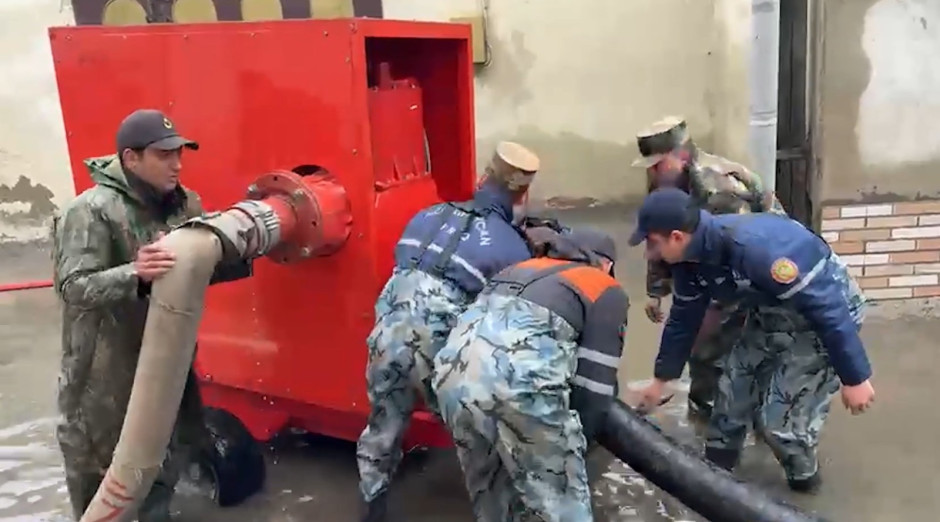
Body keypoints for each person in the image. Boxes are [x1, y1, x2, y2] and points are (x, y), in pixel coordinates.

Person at [52, 109, 251, 521]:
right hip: (102, 379)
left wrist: (241, 247)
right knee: (102, 483)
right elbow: (73, 288)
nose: (176, 164)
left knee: (162, 468)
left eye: (179, 153)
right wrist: (135, 273)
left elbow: (200, 271)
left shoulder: (184, 204)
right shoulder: (90, 211)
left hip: (166, 365)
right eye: (164, 155)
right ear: (131, 158)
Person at [630, 188, 873, 492]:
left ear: (677, 237)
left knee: (780, 420)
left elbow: (827, 308)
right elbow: (683, 319)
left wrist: (854, 377)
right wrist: (661, 380)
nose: (649, 253)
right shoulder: (689, 262)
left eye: (653, 243)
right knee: (731, 394)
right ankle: (714, 475)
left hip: (822, 317)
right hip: (771, 310)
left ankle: (803, 481)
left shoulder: (757, 249)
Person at [356, 141, 541, 522]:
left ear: (482, 179)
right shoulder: (511, 247)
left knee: (383, 426)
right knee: (481, 437)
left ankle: (373, 505)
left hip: (387, 340)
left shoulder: (424, 216)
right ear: (522, 196)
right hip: (438, 355)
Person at [432, 228, 627, 522]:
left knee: (492, 499)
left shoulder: (517, 269)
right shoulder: (602, 285)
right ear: (607, 264)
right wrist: (573, 448)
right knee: (562, 509)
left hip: (452, 380)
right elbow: (594, 388)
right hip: (518, 388)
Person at [631, 116, 787, 420]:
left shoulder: (718, 189)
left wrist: (709, 310)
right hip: (712, 261)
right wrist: (656, 290)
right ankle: (708, 405)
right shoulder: (664, 179)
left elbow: (738, 254)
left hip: (758, 267)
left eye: (658, 164)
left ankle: (726, 412)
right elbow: (660, 234)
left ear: (681, 155)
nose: (652, 172)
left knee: (719, 339)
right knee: (695, 329)